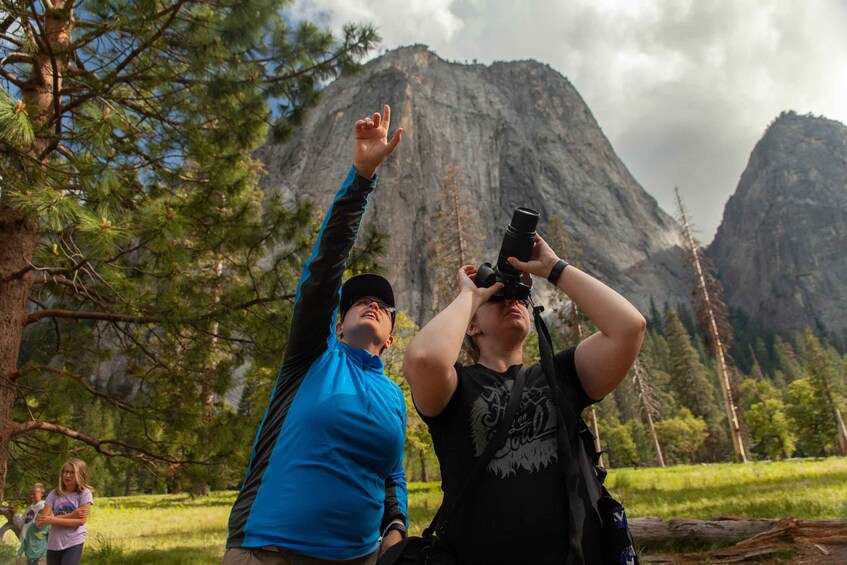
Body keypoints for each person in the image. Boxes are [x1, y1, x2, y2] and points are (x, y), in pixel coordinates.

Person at [224, 105, 408, 565]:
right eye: (357, 303)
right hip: (270, 551)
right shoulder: (312, 356)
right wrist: (362, 179)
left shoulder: (393, 396)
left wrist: (397, 525)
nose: (372, 304)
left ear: (389, 340)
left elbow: (393, 474)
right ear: (338, 323)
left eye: (384, 307)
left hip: (361, 558)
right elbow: (325, 272)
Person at [403, 234, 647, 564]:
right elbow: (424, 359)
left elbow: (629, 327)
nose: (512, 300)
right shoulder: (454, 386)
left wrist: (554, 269)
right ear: (471, 326)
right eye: (499, 297)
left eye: (520, 295)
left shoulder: (559, 374)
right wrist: (470, 296)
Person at [35, 458, 94, 565]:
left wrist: (52, 520)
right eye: (65, 472)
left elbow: (80, 521)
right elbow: (41, 522)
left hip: (74, 541)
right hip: (54, 543)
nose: (67, 475)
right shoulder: (54, 494)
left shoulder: (85, 494)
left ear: (80, 475)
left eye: (72, 473)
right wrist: (72, 515)